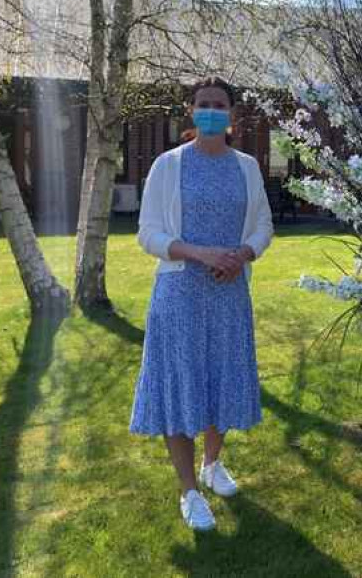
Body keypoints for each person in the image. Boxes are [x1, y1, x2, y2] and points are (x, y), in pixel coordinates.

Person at [130, 78, 274, 531]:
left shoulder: (248, 167)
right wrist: (199, 252)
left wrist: (242, 255)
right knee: (181, 386)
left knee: (221, 380)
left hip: (229, 294)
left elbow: (264, 227)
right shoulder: (168, 166)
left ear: (233, 114)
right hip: (180, 296)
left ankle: (213, 465)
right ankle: (189, 490)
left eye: (220, 105)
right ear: (190, 112)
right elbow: (147, 233)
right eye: (203, 104)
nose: (211, 111)